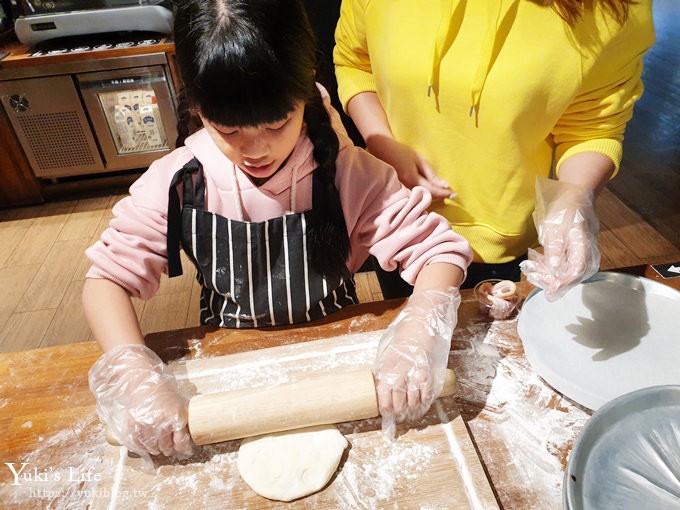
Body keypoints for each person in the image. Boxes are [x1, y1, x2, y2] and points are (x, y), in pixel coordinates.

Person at [83, 0, 473, 460]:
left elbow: (438, 253)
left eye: (277, 123)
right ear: (197, 108)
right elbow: (105, 283)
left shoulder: (348, 173)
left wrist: (420, 327)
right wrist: (133, 372)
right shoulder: (178, 182)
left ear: (305, 91)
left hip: (340, 356)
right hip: (230, 365)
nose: (255, 150)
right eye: (227, 130)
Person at [334, 0, 655, 300]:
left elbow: (591, 127)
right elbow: (355, 63)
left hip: (503, 239)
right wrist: (383, 144)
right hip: (399, 224)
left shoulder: (611, 9)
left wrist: (573, 199)